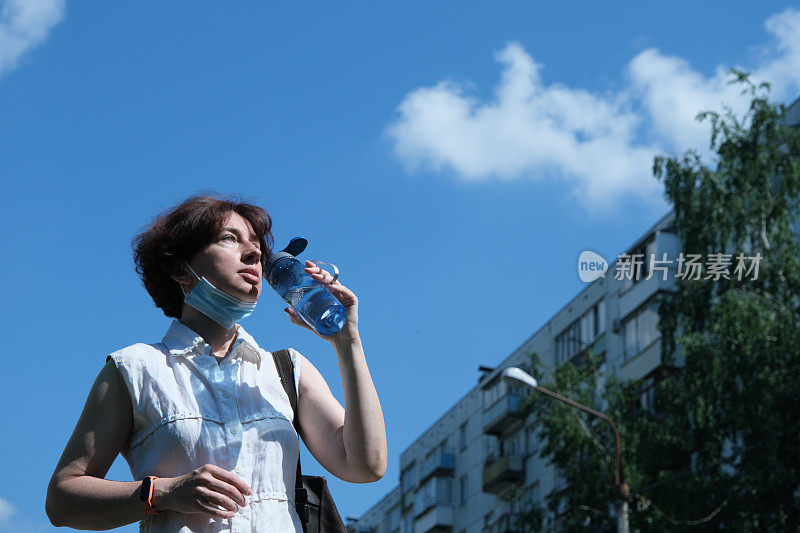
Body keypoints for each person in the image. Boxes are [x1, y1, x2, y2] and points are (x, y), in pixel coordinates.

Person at [45, 194, 387, 531]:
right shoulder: (134, 368)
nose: (254, 253)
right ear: (180, 269)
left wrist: (347, 342)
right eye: (229, 239)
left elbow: (366, 466)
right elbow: (63, 501)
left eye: (255, 245)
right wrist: (162, 492)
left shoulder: (287, 370)